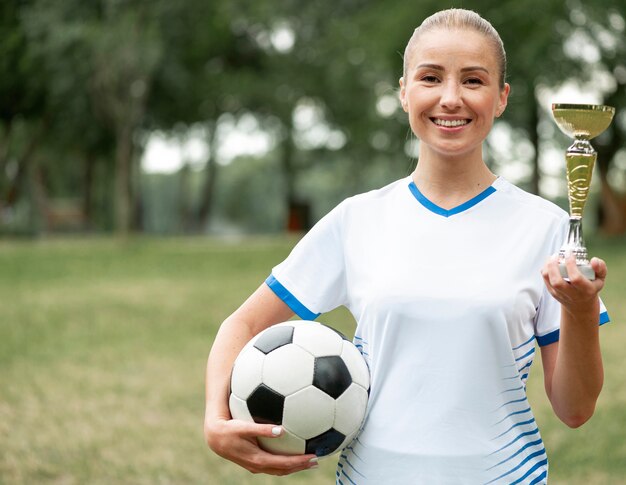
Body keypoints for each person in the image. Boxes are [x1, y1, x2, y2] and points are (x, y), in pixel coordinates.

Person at [204, 8, 610, 484]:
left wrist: (580, 312)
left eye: (474, 81)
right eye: (431, 77)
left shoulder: (547, 228)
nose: (451, 98)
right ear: (404, 92)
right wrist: (216, 418)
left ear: (501, 98)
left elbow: (576, 410)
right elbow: (244, 324)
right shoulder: (357, 220)